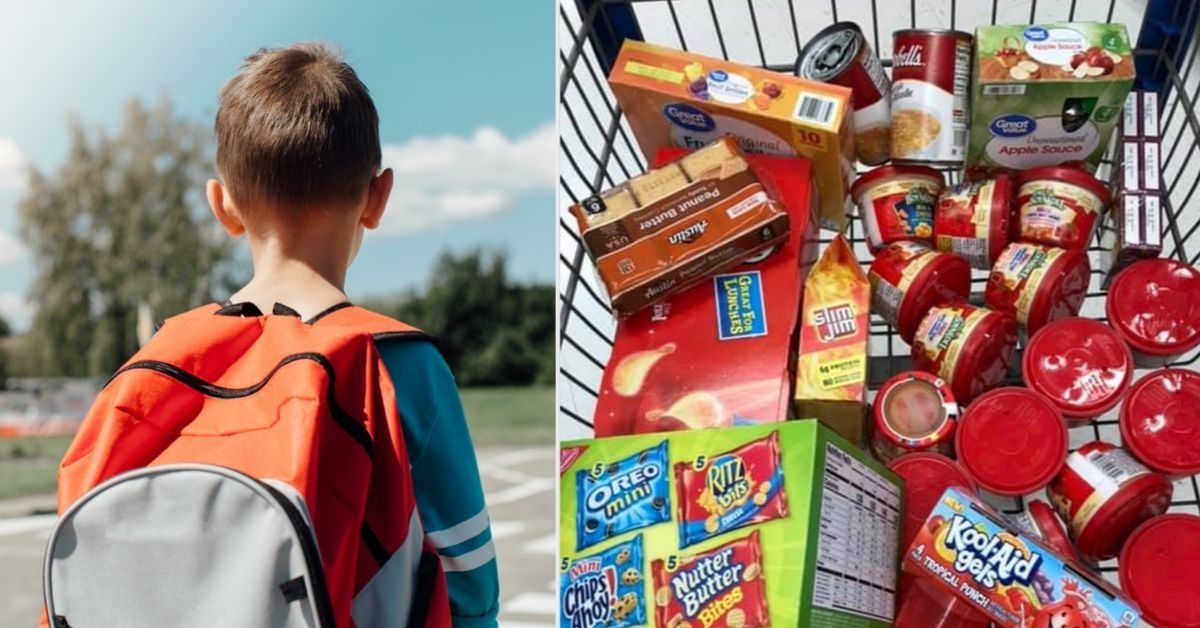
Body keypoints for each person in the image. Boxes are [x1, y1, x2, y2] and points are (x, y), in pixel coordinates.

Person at [44, 42, 499, 628]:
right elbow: (471, 583)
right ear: (378, 197)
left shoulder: (152, 365)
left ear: (223, 206)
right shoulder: (400, 364)